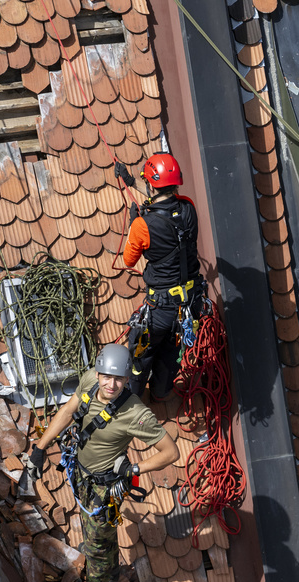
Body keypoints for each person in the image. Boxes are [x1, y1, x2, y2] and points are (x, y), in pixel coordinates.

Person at [27, 344, 180, 582]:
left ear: (126, 379)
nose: (111, 384)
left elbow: (171, 452)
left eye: (119, 379)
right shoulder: (89, 380)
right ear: (98, 373)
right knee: (101, 533)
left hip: (104, 486)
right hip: (83, 473)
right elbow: (66, 412)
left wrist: (133, 469)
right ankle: (109, 566)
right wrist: (40, 447)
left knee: (95, 543)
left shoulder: (135, 414)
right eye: (107, 377)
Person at [121, 152, 202, 400]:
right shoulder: (188, 206)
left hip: (161, 308)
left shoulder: (142, 226)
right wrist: (131, 183)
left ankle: (133, 398)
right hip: (190, 303)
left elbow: (128, 261)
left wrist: (135, 223)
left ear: (150, 183)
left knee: (141, 351)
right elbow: (167, 207)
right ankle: (160, 392)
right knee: (171, 350)